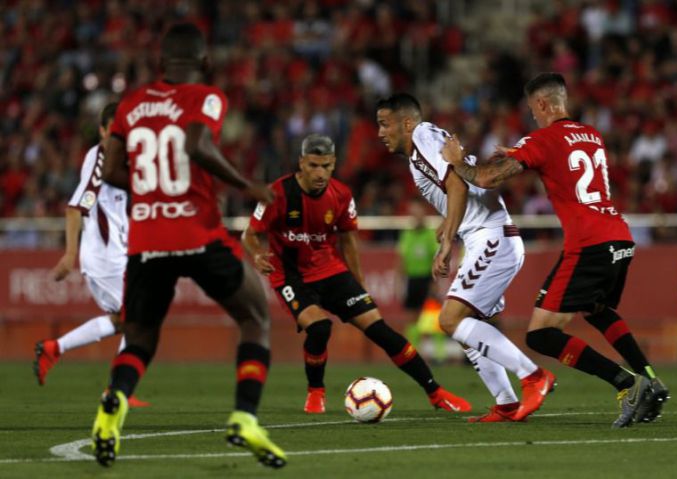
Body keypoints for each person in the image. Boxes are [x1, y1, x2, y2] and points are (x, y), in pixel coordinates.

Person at [93, 23, 286, 468]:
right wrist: (245, 184)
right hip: (197, 233)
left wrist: (152, 195)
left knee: (140, 338)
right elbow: (197, 144)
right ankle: (244, 417)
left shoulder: (131, 104)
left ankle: (114, 403)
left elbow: (110, 172)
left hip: (146, 239)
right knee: (254, 315)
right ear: (203, 62)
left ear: (161, 64)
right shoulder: (206, 96)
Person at [441, 72, 669, 428]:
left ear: (544, 104)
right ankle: (652, 378)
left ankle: (625, 383)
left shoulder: (544, 138)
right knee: (598, 310)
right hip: (619, 237)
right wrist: (521, 154)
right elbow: (565, 168)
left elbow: (486, 178)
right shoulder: (592, 135)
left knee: (541, 334)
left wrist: (457, 162)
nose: (533, 116)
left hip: (588, 244)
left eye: (533, 109)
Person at [242, 133, 471, 415]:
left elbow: (349, 240)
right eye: (313, 165)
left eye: (326, 166)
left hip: (330, 270)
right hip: (291, 276)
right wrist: (256, 254)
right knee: (319, 327)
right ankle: (316, 392)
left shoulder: (341, 195)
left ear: (334, 164)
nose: (320, 173)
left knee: (382, 332)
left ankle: (435, 393)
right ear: (301, 163)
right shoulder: (276, 193)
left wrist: (359, 284)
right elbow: (250, 234)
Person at [376, 94, 555, 423]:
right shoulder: (423, 145)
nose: (379, 132)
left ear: (406, 123)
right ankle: (506, 403)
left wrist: (446, 242)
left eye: (384, 124)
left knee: (450, 320)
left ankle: (533, 376)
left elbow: (456, 183)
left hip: (492, 237)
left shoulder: (422, 137)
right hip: (484, 237)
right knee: (465, 326)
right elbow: (457, 189)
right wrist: (448, 222)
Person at [34, 103, 149, 408]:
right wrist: (69, 253)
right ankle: (117, 389)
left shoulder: (128, 162)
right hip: (106, 258)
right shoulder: (99, 158)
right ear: (102, 130)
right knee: (139, 319)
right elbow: (75, 208)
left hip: (121, 256)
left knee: (125, 319)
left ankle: (54, 347)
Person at [397, 198, 438, 327]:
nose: (416, 215)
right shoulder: (406, 235)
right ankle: (413, 344)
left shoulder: (431, 234)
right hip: (411, 279)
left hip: (426, 279)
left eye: (418, 212)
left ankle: (428, 345)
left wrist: (434, 282)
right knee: (411, 316)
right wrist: (399, 282)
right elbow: (401, 260)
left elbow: (435, 259)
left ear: (424, 213)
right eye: (413, 213)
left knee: (429, 318)